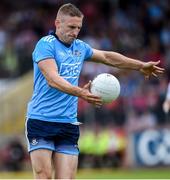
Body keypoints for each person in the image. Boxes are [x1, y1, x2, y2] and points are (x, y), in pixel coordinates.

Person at [25, 3, 164, 179]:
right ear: (57, 23)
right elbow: (53, 79)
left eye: (78, 28)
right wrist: (80, 93)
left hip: (68, 123)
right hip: (41, 120)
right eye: (71, 27)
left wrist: (140, 65)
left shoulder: (80, 47)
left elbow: (107, 57)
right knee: (44, 176)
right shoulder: (45, 45)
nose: (75, 32)